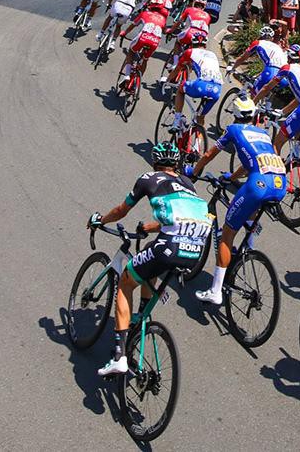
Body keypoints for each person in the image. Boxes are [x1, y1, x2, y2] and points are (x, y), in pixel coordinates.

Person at [86, 141, 212, 377]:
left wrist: (100, 220)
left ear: (155, 162)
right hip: (194, 251)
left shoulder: (148, 178)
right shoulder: (188, 185)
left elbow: (122, 210)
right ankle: (139, 319)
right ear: (176, 165)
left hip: (170, 246)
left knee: (125, 283)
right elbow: (177, 220)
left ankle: (118, 357)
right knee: (149, 264)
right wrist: (148, 226)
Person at [187, 99, 289, 306]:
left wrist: (194, 172)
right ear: (253, 115)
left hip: (259, 184)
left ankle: (215, 291)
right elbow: (253, 162)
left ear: (235, 115)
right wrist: (232, 178)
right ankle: (248, 246)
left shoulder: (233, 129)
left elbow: (208, 154)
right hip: (280, 183)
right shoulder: (262, 133)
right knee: (250, 208)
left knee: (227, 233)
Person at [254, 45, 300, 156]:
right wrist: (282, 112)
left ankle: (278, 172)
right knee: (295, 131)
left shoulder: (287, 68)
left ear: (288, 58)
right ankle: (295, 153)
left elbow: (267, 87)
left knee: (277, 143)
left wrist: (253, 102)